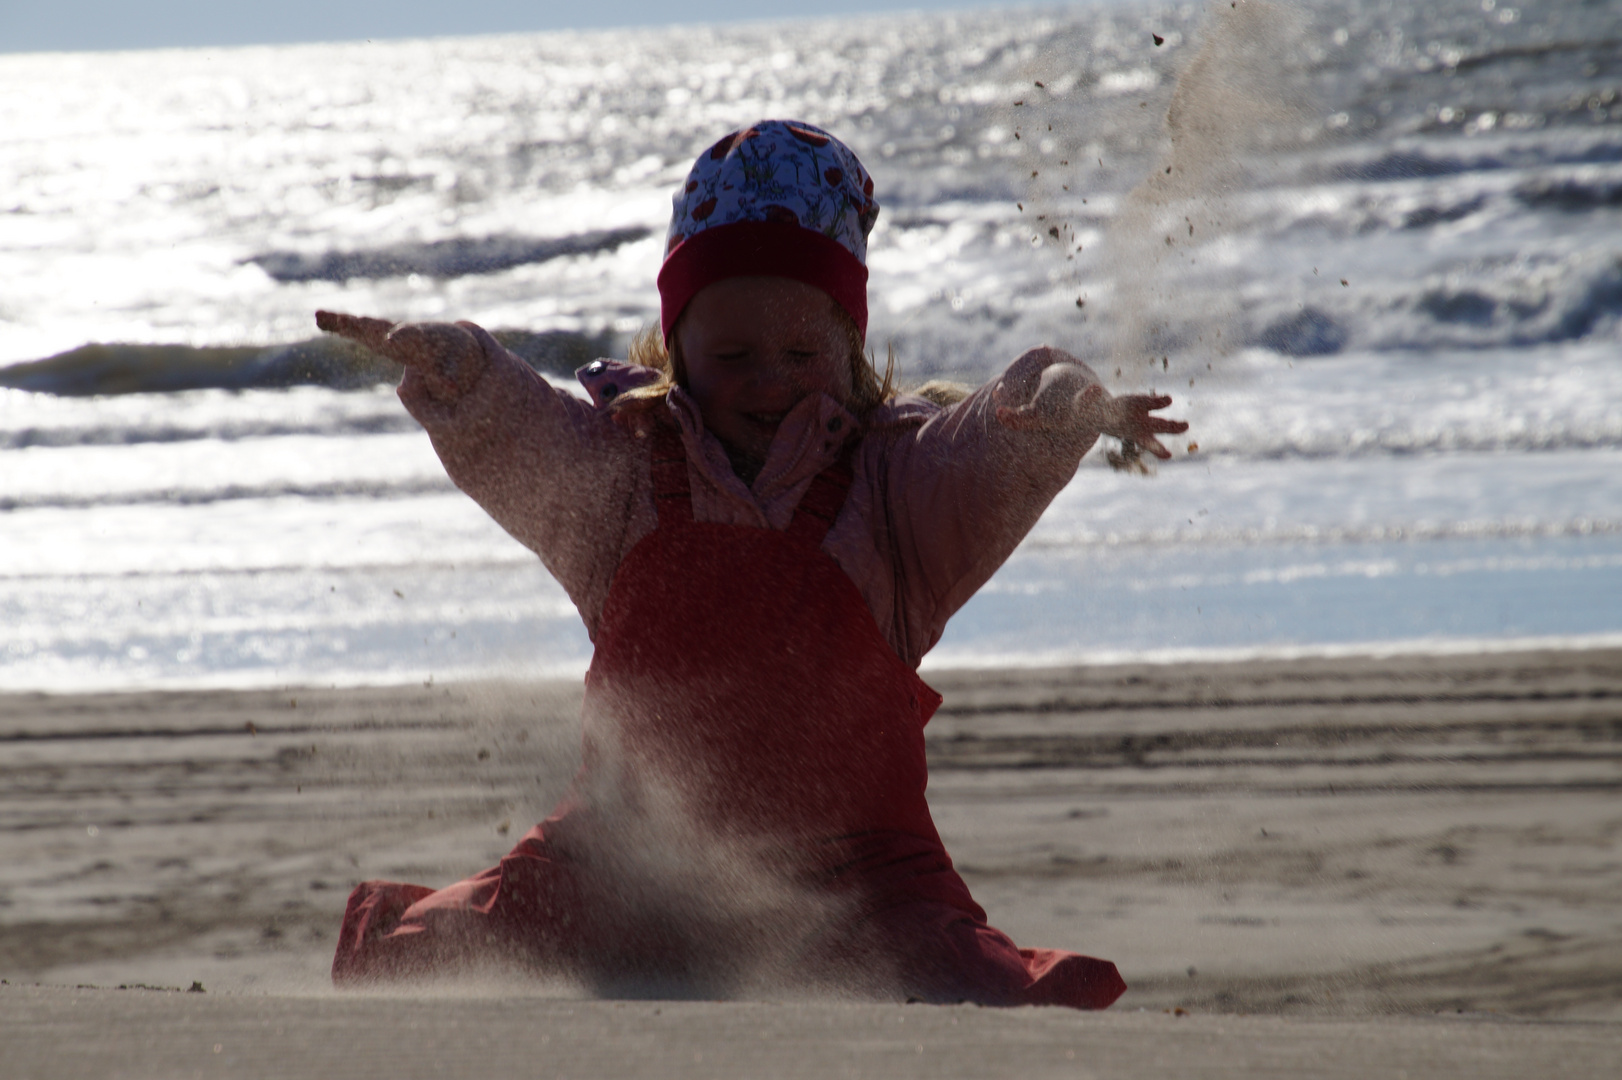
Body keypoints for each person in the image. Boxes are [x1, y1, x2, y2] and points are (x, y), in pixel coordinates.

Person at [317, 119, 1185, 1008]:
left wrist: (1061, 406)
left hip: (860, 880)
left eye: (800, 355)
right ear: (675, 347)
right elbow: (527, 430)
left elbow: (989, 441)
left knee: (983, 984)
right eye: (733, 357)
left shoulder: (893, 486)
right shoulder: (624, 478)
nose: (769, 379)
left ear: (847, 348)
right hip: (615, 859)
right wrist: (463, 372)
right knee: (441, 953)